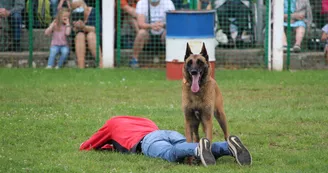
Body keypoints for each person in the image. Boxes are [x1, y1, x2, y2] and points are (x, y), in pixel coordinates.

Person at [79, 116, 252, 166]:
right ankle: (227, 147)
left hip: (146, 141)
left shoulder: (112, 123)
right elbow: (155, 131)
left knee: (170, 154)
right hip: (164, 132)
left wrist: (109, 146)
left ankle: (197, 150)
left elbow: (87, 146)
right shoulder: (145, 120)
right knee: (183, 145)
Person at [129, 0, 175, 68]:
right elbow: (140, 24)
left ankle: (172, 61)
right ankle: (134, 59)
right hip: (148, 31)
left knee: (170, 33)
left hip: (163, 31)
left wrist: (163, 25)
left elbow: (173, 21)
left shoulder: (168, 2)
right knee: (141, 33)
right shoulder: (141, 3)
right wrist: (152, 26)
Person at [71, 0, 103, 68]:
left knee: (91, 35)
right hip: (80, 40)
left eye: (79, 7)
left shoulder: (94, 12)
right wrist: (75, 28)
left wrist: (84, 27)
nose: (77, 9)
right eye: (75, 8)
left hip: (94, 39)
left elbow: (98, 29)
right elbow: (71, 33)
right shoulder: (74, 14)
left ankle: (100, 63)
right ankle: (81, 66)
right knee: (80, 36)